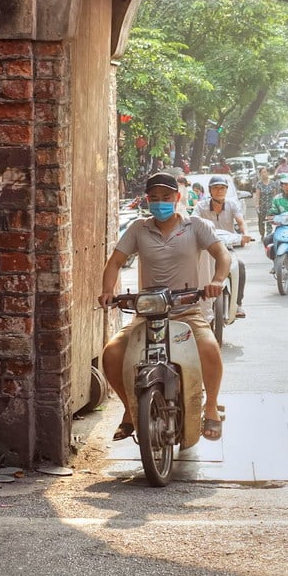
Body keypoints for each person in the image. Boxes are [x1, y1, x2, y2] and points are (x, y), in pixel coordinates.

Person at [98, 171, 231, 443]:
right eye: (154, 198)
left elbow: (222, 255)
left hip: (186, 310)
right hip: (147, 312)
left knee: (208, 348)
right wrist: (107, 291)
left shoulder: (196, 226)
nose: (160, 203)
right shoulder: (138, 228)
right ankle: (130, 410)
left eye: (166, 197)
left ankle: (211, 407)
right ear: (147, 200)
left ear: (177, 198)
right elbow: (114, 262)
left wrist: (217, 280)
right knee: (111, 354)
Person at [195, 175, 251, 319]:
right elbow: (193, 222)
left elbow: (241, 221)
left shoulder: (232, 205)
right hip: (207, 250)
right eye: (215, 188)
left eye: (222, 188)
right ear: (210, 191)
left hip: (227, 247)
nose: (219, 191)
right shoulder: (201, 206)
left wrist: (245, 234)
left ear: (226, 190)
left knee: (240, 266)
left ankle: (238, 303)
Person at [253, 167, 280, 237]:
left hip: (270, 205)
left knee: (269, 221)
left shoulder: (272, 183)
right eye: (262, 173)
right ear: (260, 174)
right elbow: (257, 195)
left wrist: (276, 205)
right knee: (261, 221)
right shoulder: (259, 184)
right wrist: (257, 205)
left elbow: (275, 195)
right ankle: (262, 234)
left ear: (268, 173)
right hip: (262, 206)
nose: (264, 174)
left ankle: (269, 234)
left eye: (265, 172)